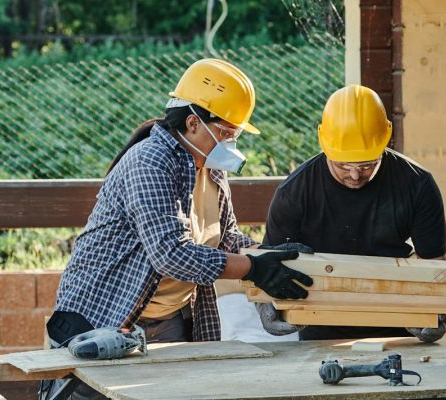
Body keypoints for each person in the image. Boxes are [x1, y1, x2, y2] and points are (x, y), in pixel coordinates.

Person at [40, 59, 312, 400]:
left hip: (170, 318)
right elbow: (170, 253)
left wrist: (270, 257)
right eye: (227, 133)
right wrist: (254, 269)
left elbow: (227, 238)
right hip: (105, 315)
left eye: (236, 134)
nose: (232, 143)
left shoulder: (211, 170)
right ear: (194, 123)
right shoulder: (150, 161)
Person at [256, 84, 446, 342]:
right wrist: (265, 304)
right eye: (343, 165)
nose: (355, 175)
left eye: (368, 164)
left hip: (398, 323)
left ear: (385, 140)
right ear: (324, 144)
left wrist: (434, 306)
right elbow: (270, 263)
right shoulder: (295, 192)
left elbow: (433, 261)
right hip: (319, 323)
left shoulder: (417, 185)